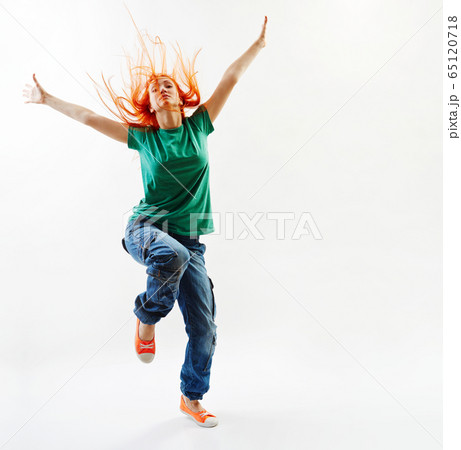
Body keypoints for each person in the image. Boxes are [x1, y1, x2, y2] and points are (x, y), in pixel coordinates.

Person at [23, 15, 268, 428]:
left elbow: (231, 77)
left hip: (190, 242)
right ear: (150, 105)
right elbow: (88, 117)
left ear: (180, 97)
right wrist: (47, 99)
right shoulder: (144, 137)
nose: (162, 87)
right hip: (146, 230)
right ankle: (147, 317)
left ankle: (192, 398)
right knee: (171, 254)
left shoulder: (199, 125)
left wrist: (257, 46)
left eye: (167, 84)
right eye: (155, 88)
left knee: (205, 329)